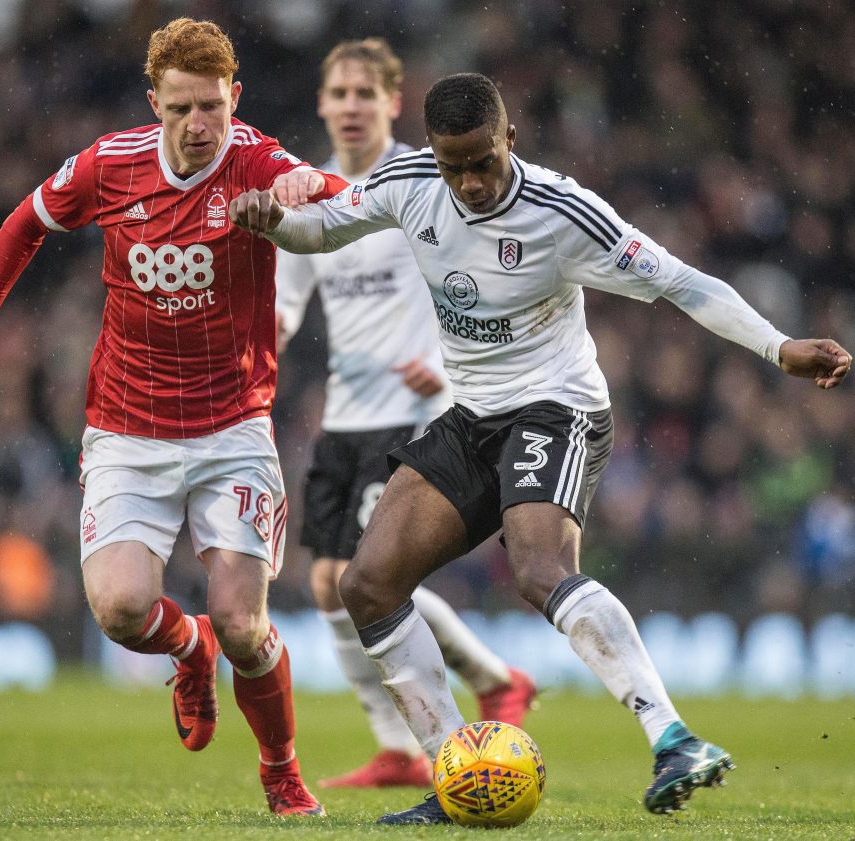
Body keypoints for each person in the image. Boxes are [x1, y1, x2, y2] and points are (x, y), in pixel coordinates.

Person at [230, 71, 852, 822]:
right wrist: (269, 219)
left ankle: (673, 736)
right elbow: (319, 229)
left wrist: (777, 345)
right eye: (454, 164)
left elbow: (683, 283)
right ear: (432, 151)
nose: (471, 181)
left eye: (484, 160)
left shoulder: (563, 213)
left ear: (510, 139)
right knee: (366, 585)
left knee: (539, 567)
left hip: (558, 408)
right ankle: (458, 775)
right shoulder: (409, 182)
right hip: (472, 418)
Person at [0, 18, 348, 817]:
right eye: (180, 110)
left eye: (212, 107)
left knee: (242, 619)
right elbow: (24, 223)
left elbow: (321, 188)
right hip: (128, 427)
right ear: (153, 103)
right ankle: (186, 648)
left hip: (233, 426)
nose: (199, 126)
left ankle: (281, 771)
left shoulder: (253, 159)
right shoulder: (110, 164)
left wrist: (309, 190)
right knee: (123, 610)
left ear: (235, 97)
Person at [274, 39, 536, 789]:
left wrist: (454, 365)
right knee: (328, 583)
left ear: (393, 102)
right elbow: (286, 304)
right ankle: (408, 736)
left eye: (366, 93)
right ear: (322, 104)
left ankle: (485, 683)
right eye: (339, 93)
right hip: (347, 415)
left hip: (421, 409)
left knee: (365, 575)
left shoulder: (425, 178)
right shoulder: (311, 193)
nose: (352, 106)